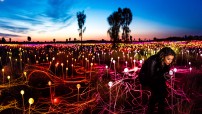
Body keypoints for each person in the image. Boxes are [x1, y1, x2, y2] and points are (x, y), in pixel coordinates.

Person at [138, 47, 176, 114]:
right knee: (157, 93)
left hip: (158, 77)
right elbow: (151, 76)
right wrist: (163, 76)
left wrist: (166, 76)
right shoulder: (153, 61)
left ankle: (160, 109)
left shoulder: (166, 62)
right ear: (163, 56)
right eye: (168, 59)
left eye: (171, 59)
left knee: (163, 93)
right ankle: (151, 110)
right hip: (147, 78)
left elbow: (164, 73)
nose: (170, 61)